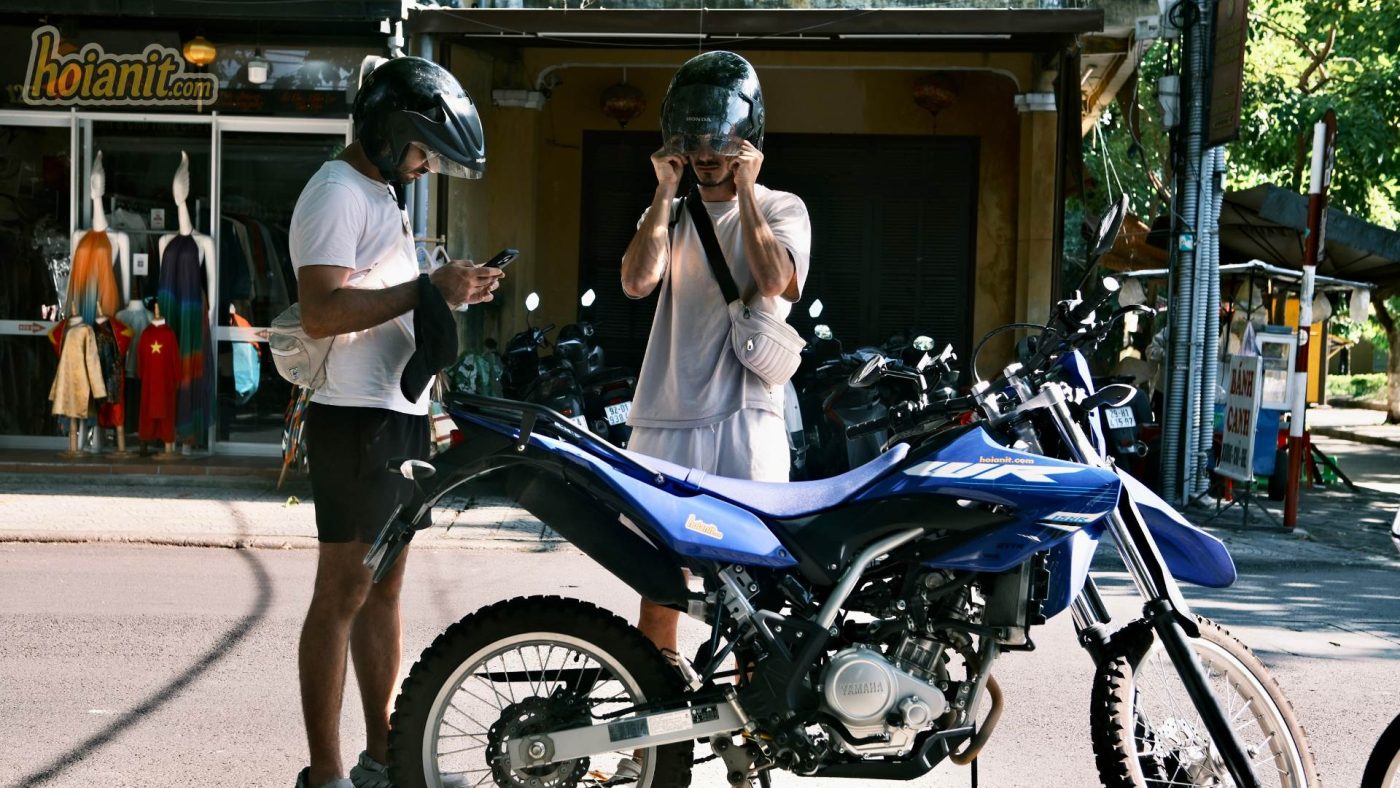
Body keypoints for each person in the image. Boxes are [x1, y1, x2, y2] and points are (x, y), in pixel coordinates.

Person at [290, 56, 503, 788]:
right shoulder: (336, 193)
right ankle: (324, 774)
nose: (423, 165)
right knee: (342, 594)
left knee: (383, 591)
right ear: (386, 132)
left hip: (398, 412)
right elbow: (321, 312)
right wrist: (424, 288)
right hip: (353, 421)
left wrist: (448, 293)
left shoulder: (383, 195)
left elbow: (392, 297)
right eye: (419, 149)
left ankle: (382, 754)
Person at [620, 50, 812, 657]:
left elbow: (777, 278)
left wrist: (749, 193)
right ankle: (654, 734)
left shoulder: (783, 207)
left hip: (746, 418)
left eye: (719, 145)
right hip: (665, 417)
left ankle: (747, 736)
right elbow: (635, 281)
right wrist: (663, 192)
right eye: (695, 145)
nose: (706, 157)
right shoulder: (669, 213)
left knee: (751, 591)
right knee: (659, 587)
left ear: (747, 141)